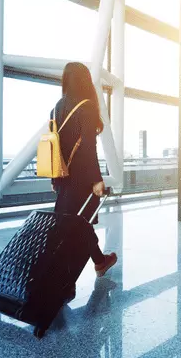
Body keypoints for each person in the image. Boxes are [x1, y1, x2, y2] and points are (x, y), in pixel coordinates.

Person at [51, 62, 117, 286]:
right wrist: (97, 179)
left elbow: (54, 148)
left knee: (74, 224)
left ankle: (99, 262)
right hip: (81, 179)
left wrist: (54, 178)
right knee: (79, 225)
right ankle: (66, 278)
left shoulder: (57, 108)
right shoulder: (86, 106)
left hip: (62, 177)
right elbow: (89, 146)